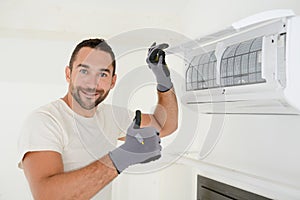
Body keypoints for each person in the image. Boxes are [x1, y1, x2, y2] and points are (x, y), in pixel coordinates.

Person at [18, 38, 178, 200]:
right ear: (68, 74)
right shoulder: (45, 121)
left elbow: (164, 125)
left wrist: (163, 81)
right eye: (84, 71)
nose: (92, 83)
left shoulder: (111, 116)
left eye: (102, 74)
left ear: (112, 81)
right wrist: (123, 157)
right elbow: (47, 196)